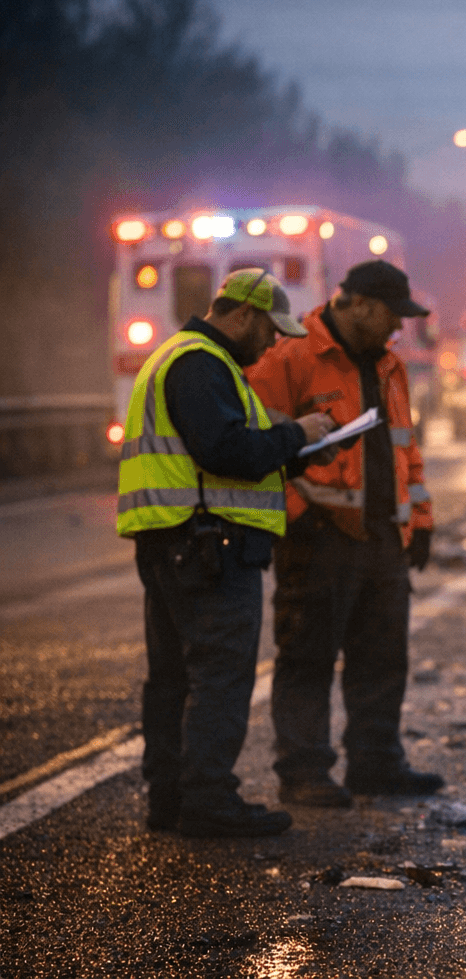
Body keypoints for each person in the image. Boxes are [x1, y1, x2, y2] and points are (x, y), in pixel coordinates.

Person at [118, 269, 335, 837]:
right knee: (219, 675)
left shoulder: (181, 358)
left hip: (177, 539)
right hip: (209, 544)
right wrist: (298, 433)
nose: (271, 344)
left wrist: (298, 449)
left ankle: (171, 798)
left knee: (174, 677)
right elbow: (226, 451)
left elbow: (222, 457)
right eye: (268, 331)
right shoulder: (202, 364)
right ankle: (209, 801)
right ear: (242, 315)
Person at [246, 259, 441, 807]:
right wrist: (295, 514)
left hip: (382, 538)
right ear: (357, 304)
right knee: (307, 656)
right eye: (390, 315)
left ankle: (376, 762)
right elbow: (257, 448)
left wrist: (420, 521)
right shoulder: (292, 356)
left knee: (383, 658)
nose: (397, 328)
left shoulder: (389, 366)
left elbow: (406, 450)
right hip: (318, 539)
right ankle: (304, 772)